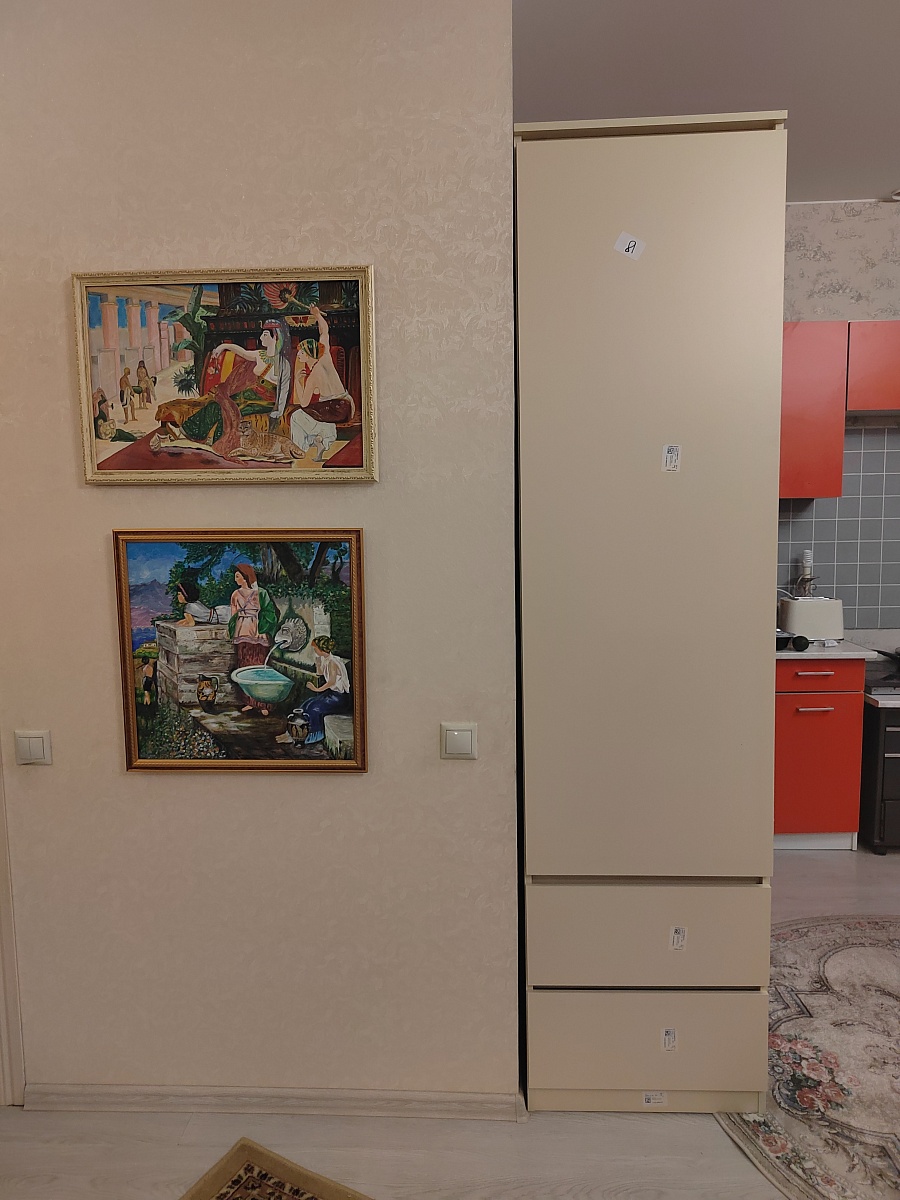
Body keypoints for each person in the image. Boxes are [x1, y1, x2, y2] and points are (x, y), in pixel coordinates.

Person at [289, 305, 351, 461]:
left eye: (301, 352)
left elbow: (303, 403)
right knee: (319, 411)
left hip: (333, 410)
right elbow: (324, 332)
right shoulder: (325, 358)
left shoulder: (312, 377)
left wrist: (298, 382)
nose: (298, 355)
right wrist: (317, 315)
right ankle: (321, 440)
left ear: (308, 354)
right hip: (347, 406)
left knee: (297, 416)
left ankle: (299, 449)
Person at [227, 563, 278, 715]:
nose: (235, 579)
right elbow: (233, 615)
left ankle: (263, 703)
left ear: (245, 577)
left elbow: (270, 612)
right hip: (242, 632)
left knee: (260, 666)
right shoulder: (235, 594)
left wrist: (263, 627)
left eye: (238, 576)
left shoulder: (261, 593)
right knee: (244, 666)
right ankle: (249, 701)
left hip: (258, 632)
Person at [297, 635, 351, 746]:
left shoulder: (333, 662)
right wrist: (318, 663)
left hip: (339, 698)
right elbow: (320, 673)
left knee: (314, 708)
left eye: (315, 648)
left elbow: (331, 682)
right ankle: (299, 733)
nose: (314, 650)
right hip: (332, 694)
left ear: (321, 649)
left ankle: (314, 735)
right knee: (306, 704)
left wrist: (316, 689)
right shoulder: (325, 659)